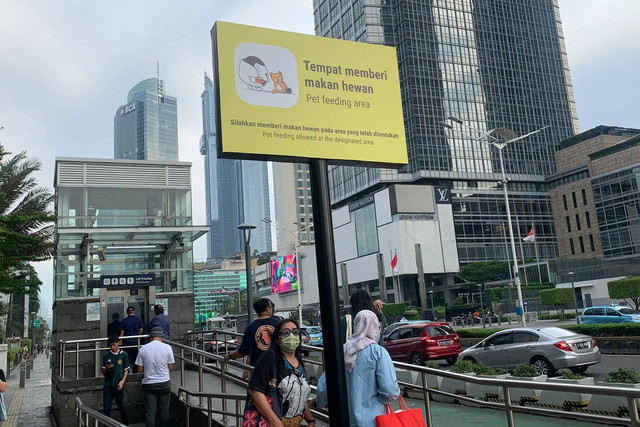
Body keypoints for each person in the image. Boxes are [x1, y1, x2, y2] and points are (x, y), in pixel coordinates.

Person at [314, 310, 400, 426]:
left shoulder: (342, 351)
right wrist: (378, 402)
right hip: (373, 420)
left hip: (344, 418)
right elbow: (389, 390)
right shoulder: (378, 352)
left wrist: (319, 403)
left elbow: (325, 385)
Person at [244, 318, 315, 427]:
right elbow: (255, 390)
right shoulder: (270, 357)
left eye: (295, 332)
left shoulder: (299, 363)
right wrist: (275, 421)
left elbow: (299, 396)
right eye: (286, 332)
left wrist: (310, 420)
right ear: (278, 339)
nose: (292, 336)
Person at [136, 326, 175, 427]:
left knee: (150, 412)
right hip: (164, 383)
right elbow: (170, 367)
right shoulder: (168, 347)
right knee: (164, 411)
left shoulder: (143, 348)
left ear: (151, 337)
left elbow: (139, 369)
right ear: (161, 336)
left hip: (149, 384)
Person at [224, 298, 280, 367]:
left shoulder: (251, 328)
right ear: (267, 309)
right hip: (278, 365)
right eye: (271, 307)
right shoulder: (280, 324)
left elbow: (243, 352)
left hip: (258, 367)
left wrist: (229, 356)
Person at [101, 335, 130, 425]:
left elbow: (126, 369)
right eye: (111, 345)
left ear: (118, 343)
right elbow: (103, 371)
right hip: (108, 385)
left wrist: (123, 381)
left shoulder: (124, 355)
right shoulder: (106, 356)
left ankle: (126, 424)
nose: (112, 347)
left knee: (121, 407)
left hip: (118, 385)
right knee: (106, 408)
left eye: (114, 345)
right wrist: (107, 368)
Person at [120, 306, 144, 373]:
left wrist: (120, 340)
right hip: (136, 342)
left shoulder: (124, 321)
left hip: (126, 342)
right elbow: (141, 330)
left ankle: (126, 372)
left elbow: (122, 332)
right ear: (134, 312)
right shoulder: (138, 319)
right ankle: (135, 372)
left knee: (126, 358)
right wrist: (138, 336)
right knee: (135, 358)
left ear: (127, 312)